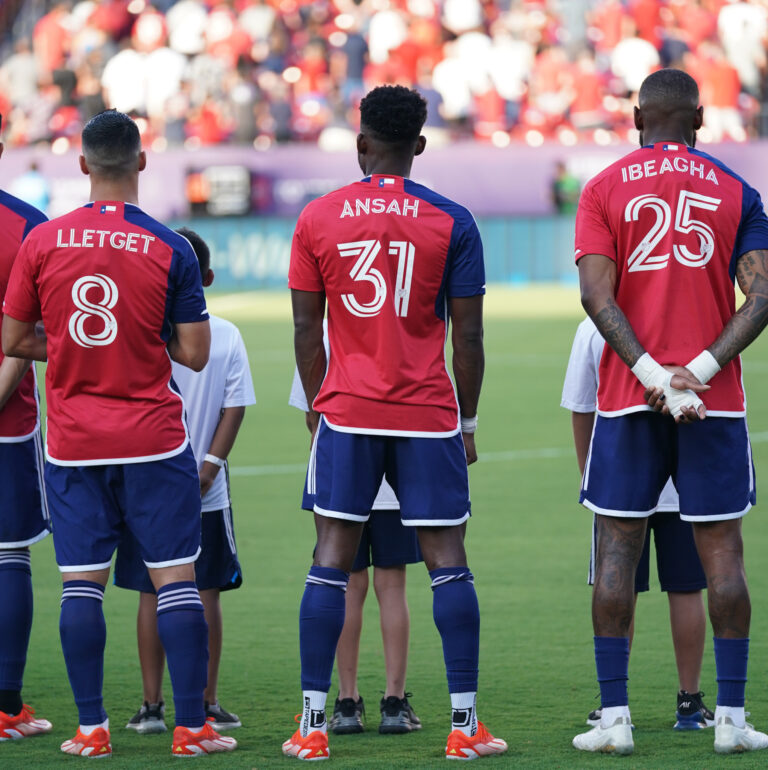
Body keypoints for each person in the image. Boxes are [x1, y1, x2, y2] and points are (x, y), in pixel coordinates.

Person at [0, 110, 237, 760]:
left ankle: (91, 728)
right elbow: (194, 352)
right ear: (140, 163)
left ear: (81, 166)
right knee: (177, 580)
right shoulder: (170, 246)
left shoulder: (42, 242)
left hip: (74, 439)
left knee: (82, 584)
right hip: (154, 440)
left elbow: (14, 340)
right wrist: (139, 340)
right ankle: (191, 727)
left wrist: (75, 346)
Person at [284, 84, 506, 762]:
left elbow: (305, 328)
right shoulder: (451, 220)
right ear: (420, 144)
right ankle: (465, 726)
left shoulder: (319, 217)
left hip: (347, 411)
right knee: (447, 564)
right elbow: (467, 339)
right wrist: (466, 420)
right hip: (427, 412)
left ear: (360, 143)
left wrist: (324, 407)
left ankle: (313, 726)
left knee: (329, 562)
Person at [572, 68, 768, 756]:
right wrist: (701, 372)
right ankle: (732, 721)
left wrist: (654, 375)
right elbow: (763, 295)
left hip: (629, 398)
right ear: (700, 119)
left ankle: (616, 722)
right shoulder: (739, 192)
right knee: (724, 558)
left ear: (635, 118)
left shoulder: (601, 188)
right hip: (713, 404)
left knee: (617, 552)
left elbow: (597, 298)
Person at [114, 226, 255, 735]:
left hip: (143, 475)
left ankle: (151, 707)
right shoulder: (226, 333)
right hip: (204, 486)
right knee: (206, 591)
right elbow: (235, 406)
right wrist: (210, 466)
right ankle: (206, 701)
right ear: (208, 277)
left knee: (150, 592)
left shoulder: (137, 329)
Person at [562, 316, 713, 730]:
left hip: (619, 482)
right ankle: (690, 701)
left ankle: (615, 705)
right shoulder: (691, 322)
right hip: (684, 483)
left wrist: (588, 474)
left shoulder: (594, 326)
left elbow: (581, 408)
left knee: (617, 586)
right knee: (686, 589)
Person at [289, 333, 423, 735]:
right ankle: (394, 703)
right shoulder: (397, 325)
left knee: (343, 584)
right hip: (393, 477)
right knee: (392, 585)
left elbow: (312, 414)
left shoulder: (326, 331)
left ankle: (347, 703)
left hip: (341, 476)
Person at [0, 115, 53, 742]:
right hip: (9, 420)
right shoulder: (27, 228)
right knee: (9, 554)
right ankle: (7, 702)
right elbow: (32, 333)